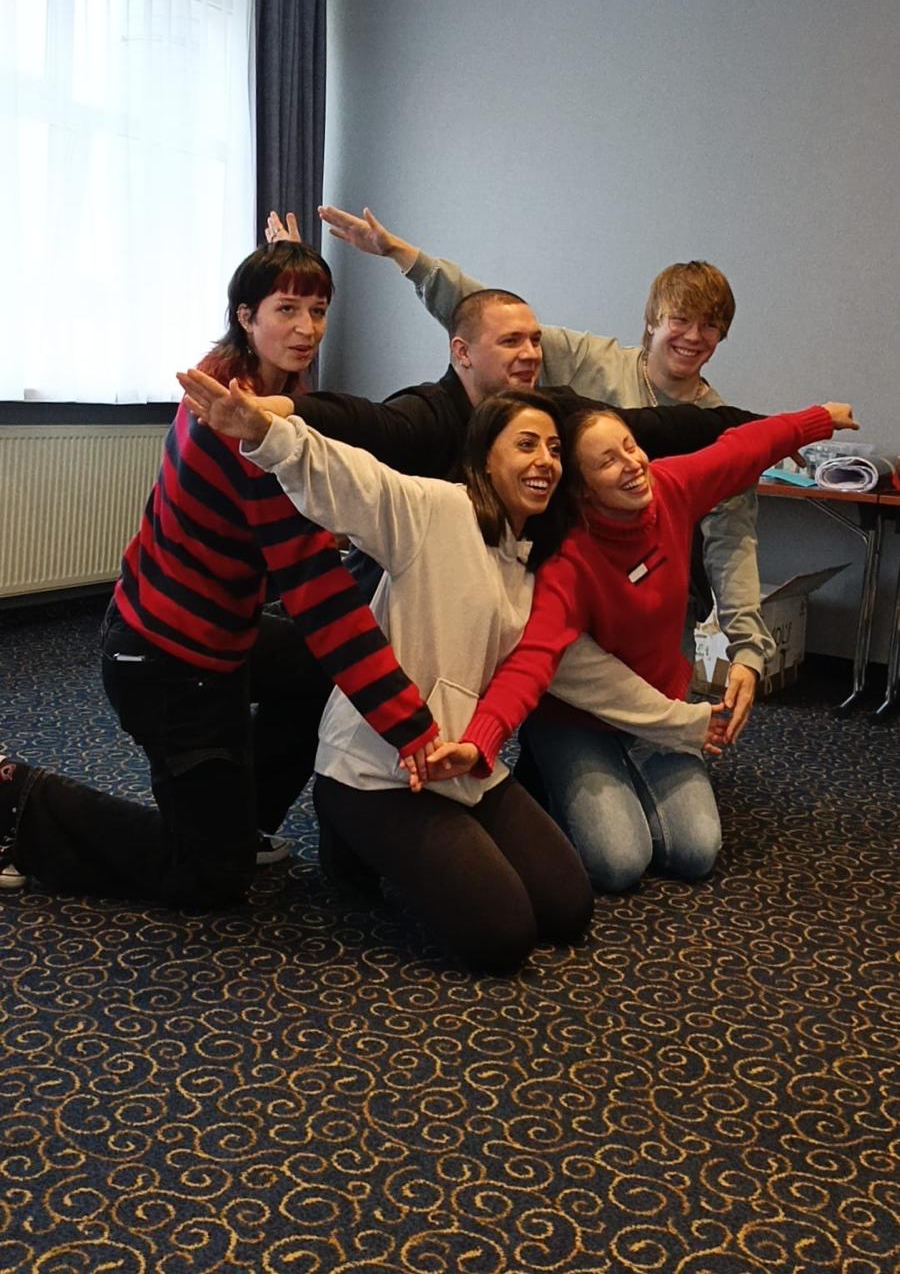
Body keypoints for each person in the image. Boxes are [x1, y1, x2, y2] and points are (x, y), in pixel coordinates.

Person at [179, 368, 722, 967]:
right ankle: (348, 835)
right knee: (502, 938)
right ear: (486, 459)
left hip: (465, 763)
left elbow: (586, 673)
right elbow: (355, 480)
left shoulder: (535, 566)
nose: (544, 460)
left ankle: (399, 849)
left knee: (568, 909)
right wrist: (266, 433)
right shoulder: (440, 510)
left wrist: (688, 722)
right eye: (525, 444)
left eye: (554, 449)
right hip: (376, 771)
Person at [0, 241, 438, 908]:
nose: (307, 329)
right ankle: (16, 805)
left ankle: (237, 817)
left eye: (318, 311)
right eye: (286, 310)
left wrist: (284, 259)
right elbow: (321, 599)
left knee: (313, 676)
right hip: (167, 661)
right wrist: (412, 728)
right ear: (245, 316)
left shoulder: (231, 377)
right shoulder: (247, 432)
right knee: (209, 877)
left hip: (203, 628)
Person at [304, 205, 772, 748]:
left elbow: (732, 538)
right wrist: (402, 255)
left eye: (709, 326)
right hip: (566, 580)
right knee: (548, 709)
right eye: (680, 321)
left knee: (660, 730)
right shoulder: (587, 363)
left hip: (654, 591)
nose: (693, 336)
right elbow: (486, 317)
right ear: (652, 321)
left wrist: (748, 646)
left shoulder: (718, 428)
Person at [414, 400, 858, 892]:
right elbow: (531, 660)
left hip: (659, 707)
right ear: (582, 489)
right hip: (578, 722)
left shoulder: (671, 488)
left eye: (631, 447)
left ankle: (606, 788)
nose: (632, 464)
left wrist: (817, 420)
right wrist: (482, 739)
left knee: (695, 852)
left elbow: (741, 449)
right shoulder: (568, 559)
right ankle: (547, 773)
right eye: (608, 461)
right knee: (619, 862)